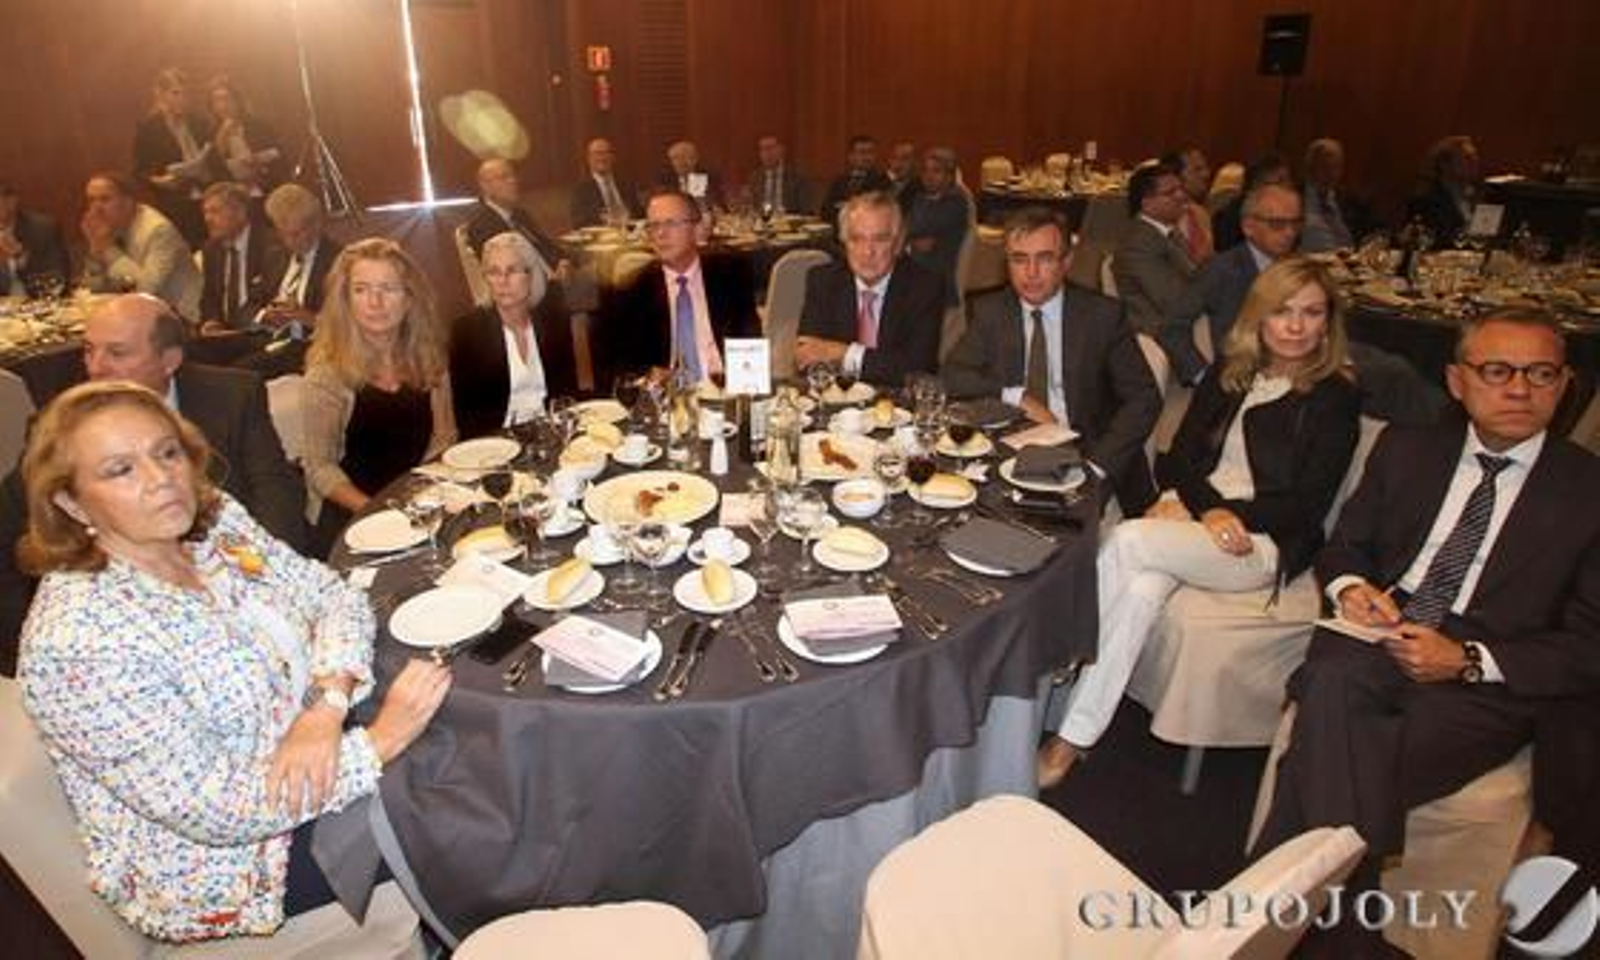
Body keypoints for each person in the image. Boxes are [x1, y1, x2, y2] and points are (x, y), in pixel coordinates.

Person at [15, 379, 451, 943]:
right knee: (462, 804)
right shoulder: (77, 642)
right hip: (242, 860)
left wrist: (324, 707)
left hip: (322, 737)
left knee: (469, 727)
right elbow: (218, 811)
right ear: (70, 502)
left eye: (166, 452)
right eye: (120, 470)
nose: (161, 480)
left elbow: (332, 593)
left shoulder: (213, 522)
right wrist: (381, 742)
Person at [1252, 309, 1600, 950]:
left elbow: (1588, 646)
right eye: (1497, 370)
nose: (1519, 389)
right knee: (1334, 679)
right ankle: (1335, 930)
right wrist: (1354, 592)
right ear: (1457, 380)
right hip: (1379, 634)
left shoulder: (1588, 491)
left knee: (1327, 736)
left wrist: (1466, 657)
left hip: (1482, 684)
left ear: (1564, 384)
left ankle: (1273, 920)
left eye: (1540, 373)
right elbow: (1345, 548)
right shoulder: (1407, 447)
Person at [1037, 257, 1361, 787]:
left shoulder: (1335, 398)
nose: (1297, 326)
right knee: (1140, 591)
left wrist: (1223, 513)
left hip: (1261, 543)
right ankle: (1071, 741)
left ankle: (1058, 654)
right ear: (1260, 316)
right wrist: (1202, 504)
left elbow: (1305, 503)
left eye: (1312, 313)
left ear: (1329, 322)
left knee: (1130, 537)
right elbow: (1178, 457)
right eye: (1283, 312)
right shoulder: (1232, 372)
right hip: (1201, 526)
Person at [0, 292, 308, 670]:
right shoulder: (64, 427)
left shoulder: (234, 396)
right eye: (88, 350)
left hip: (245, 593)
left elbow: (278, 499)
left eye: (117, 353)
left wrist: (260, 597)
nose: (96, 368)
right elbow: (9, 530)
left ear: (169, 360)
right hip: (134, 633)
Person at [943, 207, 1162, 514]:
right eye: (1019, 259)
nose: (1031, 273)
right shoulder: (990, 311)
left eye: (1044, 258)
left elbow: (1144, 398)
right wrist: (1016, 396)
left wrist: (1097, 467)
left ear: (1066, 262)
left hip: (1083, 453)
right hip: (1009, 454)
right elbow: (952, 375)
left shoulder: (1102, 316)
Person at [302, 239, 456, 549]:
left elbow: (444, 437)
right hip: (352, 518)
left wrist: (420, 495)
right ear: (345, 300)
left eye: (388, 288)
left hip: (417, 505)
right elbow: (319, 468)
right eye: (360, 290)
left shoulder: (429, 358)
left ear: (410, 299)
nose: (375, 302)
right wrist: (377, 509)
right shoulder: (327, 374)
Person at [592, 189, 759, 387]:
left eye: (670, 223)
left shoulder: (730, 276)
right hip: (668, 402)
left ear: (697, 230)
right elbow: (611, 366)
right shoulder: (632, 291)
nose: (660, 234)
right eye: (653, 226)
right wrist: (648, 375)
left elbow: (749, 342)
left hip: (725, 391)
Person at [1160, 183, 1302, 386]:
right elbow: (1171, 328)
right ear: (1248, 227)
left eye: (1296, 223)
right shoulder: (1222, 269)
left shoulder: (1299, 267)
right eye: (1277, 224)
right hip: (1247, 379)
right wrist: (1205, 379)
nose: (1290, 233)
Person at [794, 191, 941, 386]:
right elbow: (807, 357)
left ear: (898, 244)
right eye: (857, 239)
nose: (867, 252)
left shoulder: (924, 287)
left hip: (898, 408)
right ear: (844, 243)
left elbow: (917, 369)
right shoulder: (823, 281)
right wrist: (878, 361)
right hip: (839, 405)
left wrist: (843, 353)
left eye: (880, 239)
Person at [450, 232, 578, 438]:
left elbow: (566, 393)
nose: (502, 281)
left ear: (531, 275)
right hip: (495, 444)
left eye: (512, 271)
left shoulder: (553, 321)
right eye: (493, 272)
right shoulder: (467, 331)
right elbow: (467, 418)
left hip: (552, 436)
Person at [79, 172, 202, 321]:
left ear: (129, 201)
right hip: (140, 315)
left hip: (184, 319)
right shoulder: (108, 227)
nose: (96, 209)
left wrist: (107, 248)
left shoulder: (158, 230)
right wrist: (95, 247)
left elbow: (146, 290)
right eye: (91, 200)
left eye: (105, 199)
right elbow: (94, 286)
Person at [132, 67, 220, 247]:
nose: (183, 100)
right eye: (176, 93)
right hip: (178, 204)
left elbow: (217, 159)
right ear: (160, 95)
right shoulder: (149, 130)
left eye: (186, 94)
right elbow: (140, 171)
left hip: (210, 196)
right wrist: (159, 181)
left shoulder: (200, 122)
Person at [1112, 162, 1197, 343]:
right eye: (1170, 193)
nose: (1181, 196)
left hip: (1184, 327)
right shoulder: (1138, 243)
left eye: (1180, 189)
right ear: (1147, 203)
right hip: (1158, 338)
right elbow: (1174, 300)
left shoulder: (1167, 234)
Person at [464, 158, 573, 283]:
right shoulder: (481, 226)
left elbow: (545, 244)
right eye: (504, 177)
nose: (513, 181)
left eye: (513, 176)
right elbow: (507, 273)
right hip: (529, 294)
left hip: (555, 280)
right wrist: (548, 282)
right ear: (486, 186)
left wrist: (563, 261)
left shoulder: (521, 215)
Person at [198, 181, 272, 333]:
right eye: (205, 212)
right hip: (224, 333)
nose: (208, 219)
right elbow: (209, 296)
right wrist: (211, 322)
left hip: (258, 330)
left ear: (240, 212)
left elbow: (270, 295)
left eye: (215, 211)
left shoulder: (269, 245)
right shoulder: (211, 249)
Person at [905, 147, 972, 307]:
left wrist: (908, 239)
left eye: (936, 171)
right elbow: (907, 228)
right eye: (925, 170)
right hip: (915, 271)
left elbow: (919, 229)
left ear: (950, 176)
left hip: (937, 279)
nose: (929, 176)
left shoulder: (956, 202)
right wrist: (911, 239)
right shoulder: (920, 199)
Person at [206, 75, 287, 198]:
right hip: (234, 195)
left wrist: (258, 160)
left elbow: (279, 152)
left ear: (237, 101)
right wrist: (221, 136)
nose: (223, 105)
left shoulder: (258, 126)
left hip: (265, 184)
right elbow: (213, 167)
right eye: (217, 100)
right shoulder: (210, 133)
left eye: (227, 99)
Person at [1299, 138, 1374, 253]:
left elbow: (1373, 229)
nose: (1331, 174)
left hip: (1347, 262)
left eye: (1336, 167)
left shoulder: (1346, 200)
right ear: (1310, 167)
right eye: (1325, 166)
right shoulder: (1295, 197)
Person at [0, 179, 69, 297]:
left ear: (11, 201)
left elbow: (58, 277)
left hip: (39, 305)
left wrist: (20, 255)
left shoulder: (43, 229)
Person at [1212, 153, 1293, 253]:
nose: (1289, 186)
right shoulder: (1230, 218)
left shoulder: (1288, 213)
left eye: (1289, 179)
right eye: (1281, 181)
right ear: (1257, 184)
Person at [1407, 135, 1482, 241]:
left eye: (1475, 157)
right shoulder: (1426, 201)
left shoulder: (1480, 196)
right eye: (1467, 158)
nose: (1475, 162)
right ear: (1444, 165)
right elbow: (1431, 242)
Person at [820, 135, 892, 229]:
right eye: (862, 152)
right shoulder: (839, 181)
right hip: (838, 233)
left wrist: (845, 207)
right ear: (851, 156)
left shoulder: (883, 181)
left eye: (870, 152)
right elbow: (826, 211)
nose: (866, 157)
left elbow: (880, 212)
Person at [569, 137, 642, 227]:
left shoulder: (626, 184)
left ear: (612, 157)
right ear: (589, 159)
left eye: (606, 153)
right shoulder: (581, 189)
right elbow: (578, 222)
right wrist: (605, 221)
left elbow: (640, 213)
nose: (602, 157)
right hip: (601, 236)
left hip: (630, 233)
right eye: (597, 153)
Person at [1161, 146, 1214, 265]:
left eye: (1205, 167)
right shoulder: (1162, 218)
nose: (1207, 174)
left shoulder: (1199, 212)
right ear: (1175, 177)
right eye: (1197, 169)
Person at [749, 134, 810, 215]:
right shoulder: (755, 177)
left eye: (770, 148)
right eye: (762, 149)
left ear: (781, 150)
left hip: (788, 224)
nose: (766, 153)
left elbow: (806, 210)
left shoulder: (797, 176)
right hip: (762, 223)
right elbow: (751, 207)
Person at [660, 140, 725, 211]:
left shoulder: (708, 177)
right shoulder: (665, 179)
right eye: (675, 158)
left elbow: (717, 202)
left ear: (695, 159)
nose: (681, 162)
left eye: (685, 157)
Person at [886, 140, 923, 212]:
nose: (898, 164)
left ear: (915, 162)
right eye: (894, 158)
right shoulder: (879, 184)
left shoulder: (921, 188)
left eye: (905, 159)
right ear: (889, 160)